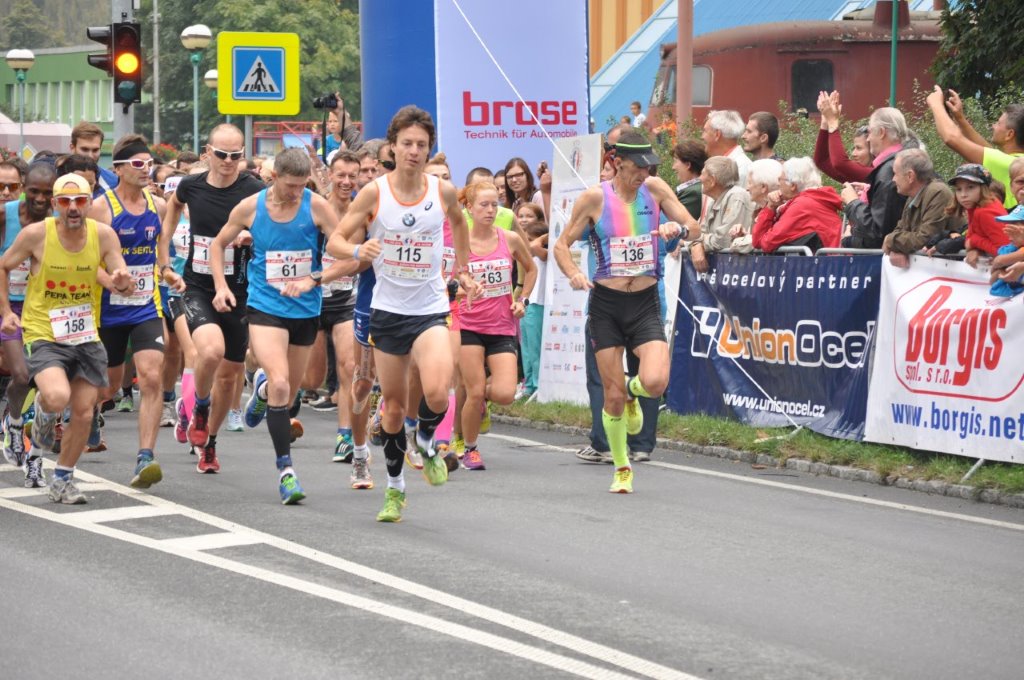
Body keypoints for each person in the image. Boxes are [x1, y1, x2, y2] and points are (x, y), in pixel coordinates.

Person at [328, 105, 482, 522]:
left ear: (429, 149)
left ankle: (427, 439)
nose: (414, 151)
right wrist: (359, 249)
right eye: (407, 144)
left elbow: (459, 223)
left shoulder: (442, 191)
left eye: (422, 144)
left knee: (437, 392)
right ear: (392, 148)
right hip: (388, 310)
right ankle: (395, 488)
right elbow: (336, 241)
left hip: (430, 308)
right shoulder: (374, 193)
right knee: (393, 409)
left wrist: (463, 268)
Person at [553, 132, 696, 493]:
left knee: (655, 382)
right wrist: (573, 274)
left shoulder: (656, 189)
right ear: (618, 163)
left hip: (645, 302)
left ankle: (633, 390)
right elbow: (561, 245)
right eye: (637, 168)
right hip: (606, 306)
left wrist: (676, 228)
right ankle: (622, 468)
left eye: (649, 168)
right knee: (611, 396)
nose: (644, 174)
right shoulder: (594, 198)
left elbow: (693, 227)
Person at [208, 148, 337, 504]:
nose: (296, 192)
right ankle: (286, 472)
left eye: (302, 185)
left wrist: (319, 275)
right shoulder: (251, 207)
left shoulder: (317, 207)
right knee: (281, 382)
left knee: (288, 395)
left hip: (305, 309)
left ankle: (262, 393)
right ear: (274, 177)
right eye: (290, 185)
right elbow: (217, 245)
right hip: (265, 306)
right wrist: (220, 287)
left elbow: (342, 249)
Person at [0, 174, 132, 501]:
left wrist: (122, 281)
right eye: (65, 201)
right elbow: (3, 266)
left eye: (80, 201)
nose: (73, 208)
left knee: (85, 412)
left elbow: (120, 275)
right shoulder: (37, 234)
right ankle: (42, 412)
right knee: (58, 396)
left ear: (89, 203)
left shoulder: (103, 235)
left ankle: (62, 478)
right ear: (55, 204)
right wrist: (6, 312)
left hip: (85, 334)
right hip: (43, 331)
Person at [157, 124, 265, 473]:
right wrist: (164, 261)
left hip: (240, 289)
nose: (228, 161)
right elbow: (173, 210)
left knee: (230, 377)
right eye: (221, 154)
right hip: (197, 286)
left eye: (236, 155)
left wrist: (251, 237)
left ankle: (210, 443)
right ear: (207, 153)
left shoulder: (254, 190)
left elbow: (271, 227)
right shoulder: (191, 185)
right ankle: (200, 406)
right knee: (210, 351)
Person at [87, 135, 168, 488]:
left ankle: (145, 456)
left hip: (146, 306)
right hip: (108, 309)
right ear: (118, 169)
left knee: (151, 377)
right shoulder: (101, 208)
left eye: (149, 163)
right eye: (137, 164)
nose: (145, 169)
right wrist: (111, 282)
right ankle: (87, 412)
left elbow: (161, 250)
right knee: (107, 389)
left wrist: (168, 271)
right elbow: (84, 259)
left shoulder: (158, 206)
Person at [457, 181, 536, 469]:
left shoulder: (510, 239)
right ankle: (470, 448)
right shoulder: (459, 242)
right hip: (467, 325)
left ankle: (477, 399)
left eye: (495, 205)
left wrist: (522, 300)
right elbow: (446, 279)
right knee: (475, 390)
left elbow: (531, 269)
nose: (491, 210)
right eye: (484, 205)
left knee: (504, 394)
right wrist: (463, 289)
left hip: (502, 325)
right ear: (469, 208)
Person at [0, 163, 55, 468]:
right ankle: (14, 421)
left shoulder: (59, 219)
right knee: (20, 374)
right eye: (34, 191)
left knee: (39, 377)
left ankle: (16, 418)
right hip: (7, 306)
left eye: (47, 193)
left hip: (41, 308)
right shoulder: (5, 215)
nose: (40, 198)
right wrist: (6, 309)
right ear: (23, 189)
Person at [926, 86, 1024, 208]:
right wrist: (959, 118)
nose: (993, 126)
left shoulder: (1007, 163)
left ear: (1009, 134)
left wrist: (936, 104)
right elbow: (985, 150)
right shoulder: (1014, 161)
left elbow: (952, 138)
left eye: (998, 123)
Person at [840, 106, 916, 249]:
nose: (868, 139)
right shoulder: (905, 160)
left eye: (869, 133)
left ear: (881, 132)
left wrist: (853, 203)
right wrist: (871, 191)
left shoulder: (889, 170)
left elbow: (878, 233)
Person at [882, 149, 963, 268]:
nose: (893, 179)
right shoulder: (913, 196)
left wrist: (891, 240)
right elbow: (901, 229)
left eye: (895, 174)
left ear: (910, 176)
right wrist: (896, 246)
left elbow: (927, 238)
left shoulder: (938, 193)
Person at [752, 157, 842, 253]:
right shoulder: (814, 200)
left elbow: (766, 243)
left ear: (792, 186)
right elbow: (758, 242)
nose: (778, 184)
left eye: (780, 179)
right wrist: (771, 206)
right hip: (833, 259)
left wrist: (770, 208)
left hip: (829, 261)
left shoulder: (802, 205)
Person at [927, 164, 1008, 266]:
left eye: (970, 187)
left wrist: (974, 241)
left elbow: (1005, 252)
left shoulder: (985, 211)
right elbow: (970, 237)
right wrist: (973, 246)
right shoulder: (974, 207)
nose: (963, 195)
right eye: (958, 189)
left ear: (983, 188)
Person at [687, 156, 756, 272]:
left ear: (712, 180)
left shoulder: (736, 196)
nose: (699, 178)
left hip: (741, 270)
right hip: (726, 270)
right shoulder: (715, 201)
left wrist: (699, 243)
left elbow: (723, 240)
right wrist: (695, 245)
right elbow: (698, 233)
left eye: (702, 174)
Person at [815, 91, 873, 184]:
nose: (853, 154)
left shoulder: (875, 173)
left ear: (872, 150)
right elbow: (822, 161)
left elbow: (840, 163)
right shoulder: (856, 176)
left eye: (859, 148)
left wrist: (832, 122)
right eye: (854, 148)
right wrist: (826, 121)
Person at [69, 121, 119, 197]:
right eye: (84, 149)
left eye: (95, 150)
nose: (90, 156)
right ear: (72, 148)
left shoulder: (114, 182)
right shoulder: (56, 179)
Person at [701, 110, 751, 185]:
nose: (702, 137)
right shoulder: (730, 164)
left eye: (705, 131)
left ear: (717, 134)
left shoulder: (741, 169)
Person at [671, 140, 708, 221]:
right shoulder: (695, 187)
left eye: (675, 161)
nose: (673, 167)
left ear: (688, 165)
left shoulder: (693, 192)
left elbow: (673, 221)